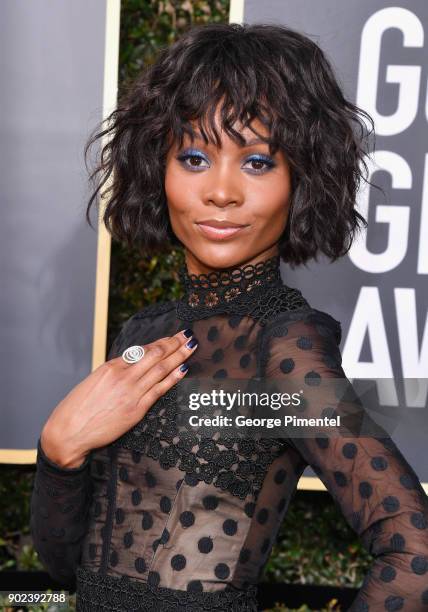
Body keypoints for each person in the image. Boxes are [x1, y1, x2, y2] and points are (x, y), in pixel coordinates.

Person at [30, 22, 428, 612]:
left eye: (258, 163)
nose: (222, 191)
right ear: (156, 168)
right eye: (194, 157)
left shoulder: (283, 347)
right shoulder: (144, 334)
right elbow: (71, 569)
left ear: (301, 180)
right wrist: (59, 450)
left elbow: (412, 554)